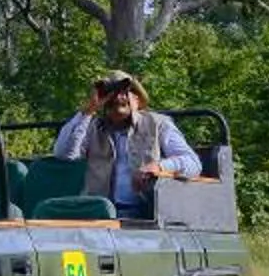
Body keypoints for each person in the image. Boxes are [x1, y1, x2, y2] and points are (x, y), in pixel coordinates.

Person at [50, 72, 199, 220]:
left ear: (137, 99)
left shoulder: (158, 124)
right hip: (98, 215)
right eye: (112, 93)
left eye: (124, 92)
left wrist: (159, 167)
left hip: (143, 215)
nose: (118, 98)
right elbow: (64, 154)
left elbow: (192, 163)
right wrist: (88, 111)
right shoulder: (92, 127)